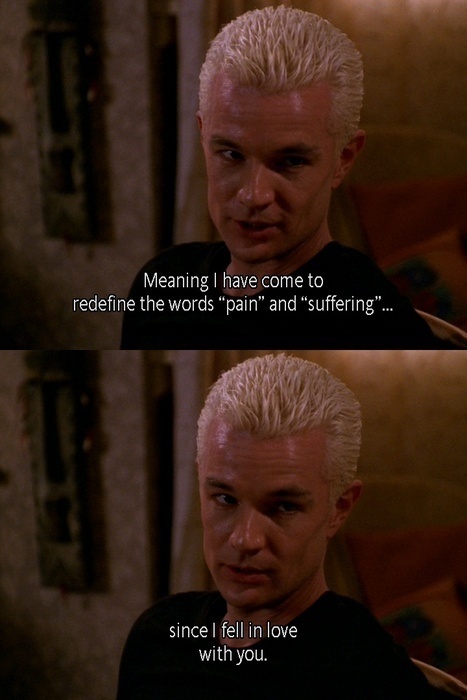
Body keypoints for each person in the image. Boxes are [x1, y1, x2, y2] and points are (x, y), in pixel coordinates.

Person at [121, 6, 445, 350]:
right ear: (203, 137)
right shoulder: (162, 280)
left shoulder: (369, 320)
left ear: (343, 159)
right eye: (231, 155)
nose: (253, 195)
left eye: (291, 162)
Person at [117, 354, 439, 699]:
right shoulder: (158, 634)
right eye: (224, 498)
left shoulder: (368, 673)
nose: (245, 540)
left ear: (339, 508)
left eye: (284, 506)